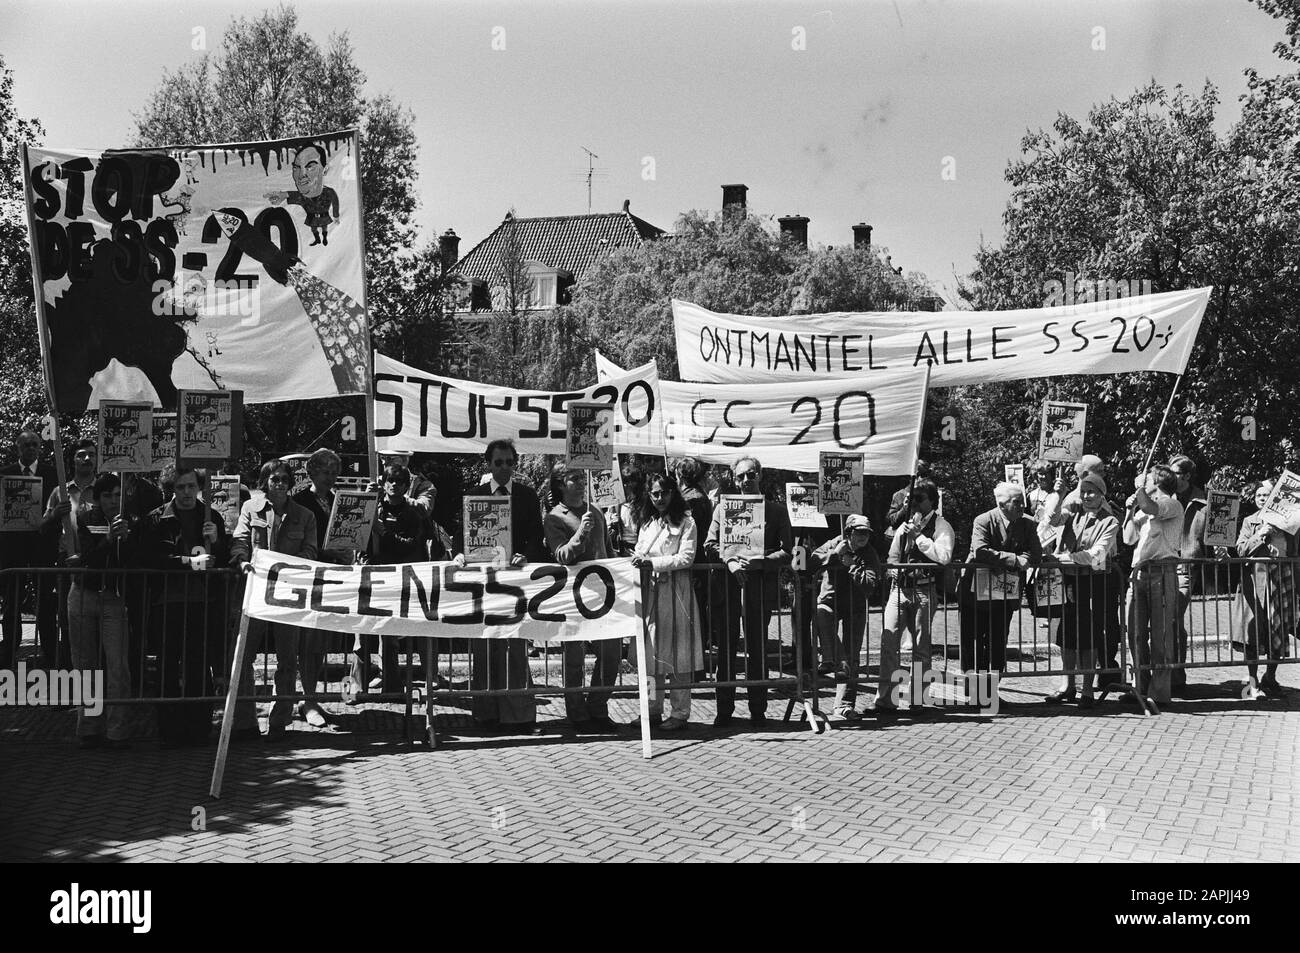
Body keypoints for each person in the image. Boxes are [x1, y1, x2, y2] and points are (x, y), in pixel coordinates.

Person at [138, 466, 231, 746]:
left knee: (198, 665)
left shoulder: (211, 516)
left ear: (199, 486)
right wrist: (186, 563)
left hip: (202, 602)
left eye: (191, 486)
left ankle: (199, 728)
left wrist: (218, 541)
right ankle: (169, 729)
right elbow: (150, 557)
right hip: (167, 602)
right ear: (172, 488)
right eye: (181, 487)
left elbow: (223, 560)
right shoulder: (157, 519)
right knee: (167, 665)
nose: (187, 493)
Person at [229, 460, 319, 741]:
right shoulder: (249, 508)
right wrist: (241, 561)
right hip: (255, 592)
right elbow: (240, 540)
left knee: (287, 660)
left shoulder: (305, 516)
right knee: (243, 657)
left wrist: (290, 566)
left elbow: (311, 552)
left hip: (287, 596)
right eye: (273, 479)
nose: (279, 483)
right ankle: (245, 722)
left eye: (283, 479)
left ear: (290, 482)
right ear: (265, 482)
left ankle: (279, 721)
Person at [703, 456, 793, 727]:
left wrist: (762, 561)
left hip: (759, 589)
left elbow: (787, 551)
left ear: (760, 476)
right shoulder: (723, 509)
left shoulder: (776, 511)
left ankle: (758, 709)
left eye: (750, 475)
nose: (745, 481)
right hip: (727, 588)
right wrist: (729, 560)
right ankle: (724, 709)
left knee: (757, 649)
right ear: (734, 479)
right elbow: (710, 544)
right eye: (740, 477)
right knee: (727, 651)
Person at [470, 439, 545, 735]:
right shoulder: (474, 496)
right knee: (485, 647)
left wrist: (526, 554)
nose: (503, 468)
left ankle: (519, 716)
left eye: (509, 462)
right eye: (498, 462)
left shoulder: (527, 496)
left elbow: (536, 537)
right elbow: (463, 537)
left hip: (514, 584)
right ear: (488, 464)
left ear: (515, 464)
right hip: (485, 583)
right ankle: (486, 715)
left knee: (515, 648)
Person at [545, 465, 620, 734]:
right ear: (561, 484)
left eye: (581, 477)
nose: (579, 482)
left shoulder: (596, 510)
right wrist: (580, 534)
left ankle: (598, 706)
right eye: (573, 478)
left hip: (603, 593)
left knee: (611, 653)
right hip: (573, 597)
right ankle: (577, 714)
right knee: (574, 658)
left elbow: (608, 550)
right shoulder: (555, 517)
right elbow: (562, 555)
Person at [959, 482, 1043, 708]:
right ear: (1001, 504)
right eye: (1016, 502)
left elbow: (1035, 553)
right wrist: (1014, 560)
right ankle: (975, 692)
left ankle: (991, 691)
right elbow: (980, 550)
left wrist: (1022, 558)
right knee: (974, 642)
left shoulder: (1028, 523)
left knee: (997, 643)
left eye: (1022, 501)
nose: (1022, 506)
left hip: (1004, 596)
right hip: (975, 593)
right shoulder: (983, 520)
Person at [631, 473, 704, 731]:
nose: (660, 498)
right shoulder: (648, 523)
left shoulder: (687, 522)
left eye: (664, 492)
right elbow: (639, 551)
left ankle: (680, 712)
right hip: (650, 595)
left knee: (679, 657)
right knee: (651, 658)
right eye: (655, 494)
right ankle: (651, 710)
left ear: (673, 493)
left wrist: (653, 563)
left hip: (676, 594)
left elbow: (686, 557)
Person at [1040, 472, 1119, 708]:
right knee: (1066, 635)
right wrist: (1058, 494)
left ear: (1102, 494)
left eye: (1091, 491)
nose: (1086, 496)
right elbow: (1051, 519)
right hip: (1069, 582)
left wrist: (1060, 558)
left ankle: (1087, 689)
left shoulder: (1110, 521)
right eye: (1083, 491)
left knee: (1089, 636)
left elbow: (1096, 554)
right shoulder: (1073, 513)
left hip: (1094, 584)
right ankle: (1068, 685)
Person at [875, 478, 954, 713]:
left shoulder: (941, 526)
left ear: (932, 501)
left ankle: (919, 699)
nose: (914, 504)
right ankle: (885, 700)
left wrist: (919, 538)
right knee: (889, 643)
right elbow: (892, 555)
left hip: (924, 589)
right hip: (899, 589)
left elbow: (944, 556)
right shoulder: (906, 524)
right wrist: (892, 569)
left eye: (919, 499)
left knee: (920, 647)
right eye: (911, 499)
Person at [68, 473, 134, 749]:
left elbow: (136, 561)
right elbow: (84, 560)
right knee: (85, 664)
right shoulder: (84, 519)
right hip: (84, 595)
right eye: (107, 495)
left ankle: (118, 731)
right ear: (98, 498)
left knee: (118, 665)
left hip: (113, 598)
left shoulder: (131, 521)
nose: (112, 500)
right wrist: (108, 540)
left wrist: (127, 539)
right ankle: (89, 728)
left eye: (117, 495)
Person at [370, 464, 443, 693]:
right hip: (384, 575)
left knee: (421, 626)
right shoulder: (376, 507)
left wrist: (384, 533)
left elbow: (411, 545)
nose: (394, 485)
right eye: (390, 481)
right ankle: (390, 679)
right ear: (384, 483)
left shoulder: (413, 512)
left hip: (413, 576)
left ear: (406, 486)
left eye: (400, 482)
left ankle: (431, 674)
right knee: (387, 630)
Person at [1122, 465, 1184, 706]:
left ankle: (1159, 691)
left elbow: (1150, 506)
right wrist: (1129, 511)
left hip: (1162, 572)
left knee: (1161, 634)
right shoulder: (1144, 510)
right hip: (1139, 573)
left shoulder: (1171, 503)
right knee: (1135, 632)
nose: (1143, 481)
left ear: (1157, 482)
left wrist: (1139, 495)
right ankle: (1139, 684)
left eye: (1147, 479)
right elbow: (1128, 539)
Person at [1, 428, 61, 671]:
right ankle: (8, 655)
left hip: (42, 547)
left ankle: (49, 653)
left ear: (40, 447)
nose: (31, 449)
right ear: (18, 447)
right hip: (11, 549)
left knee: (46, 602)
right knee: (11, 603)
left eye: (35, 444)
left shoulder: (52, 475)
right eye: (26, 445)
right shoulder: (4, 474)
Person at [811, 515, 883, 719]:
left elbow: (870, 585)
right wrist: (834, 555)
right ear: (848, 532)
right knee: (821, 613)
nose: (863, 537)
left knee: (853, 656)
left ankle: (844, 705)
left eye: (866, 533)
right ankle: (834, 659)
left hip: (856, 606)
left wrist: (851, 564)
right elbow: (811, 562)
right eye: (859, 532)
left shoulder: (870, 553)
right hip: (830, 601)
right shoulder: (834, 543)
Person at [1235, 480, 1293, 699]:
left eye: (1266, 495)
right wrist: (1260, 533)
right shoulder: (1250, 521)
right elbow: (1240, 550)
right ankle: (1252, 682)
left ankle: (1270, 676)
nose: (1262, 498)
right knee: (1254, 632)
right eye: (1259, 495)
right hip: (1256, 581)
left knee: (1278, 630)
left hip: (1282, 578)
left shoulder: (1288, 523)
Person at [1168, 454, 1207, 697]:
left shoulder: (1205, 501)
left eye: (1175, 473)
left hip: (1186, 564)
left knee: (1172, 617)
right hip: (1163, 562)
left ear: (1187, 476)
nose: (1171, 477)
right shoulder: (1165, 497)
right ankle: (1172, 673)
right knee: (1170, 621)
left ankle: (1176, 675)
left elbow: (1218, 535)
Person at [265, 143, 341, 246]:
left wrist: (336, 216)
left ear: (325, 169)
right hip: (312, 219)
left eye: (310, 167)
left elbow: (335, 203)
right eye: (296, 168)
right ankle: (317, 239)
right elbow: (295, 196)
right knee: (314, 229)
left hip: (324, 217)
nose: (301, 175)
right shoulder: (303, 197)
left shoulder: (329, 192)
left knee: (324, 228)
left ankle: (324, 238)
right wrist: (283, 195)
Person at [886, 460, 930, 536]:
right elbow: (892, 521)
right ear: (912, 477)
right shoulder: (900, 494)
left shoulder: (930, 496)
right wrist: (905, 508)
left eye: (924, 475)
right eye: (918, 475)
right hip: (901, 537)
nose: (921, 478)